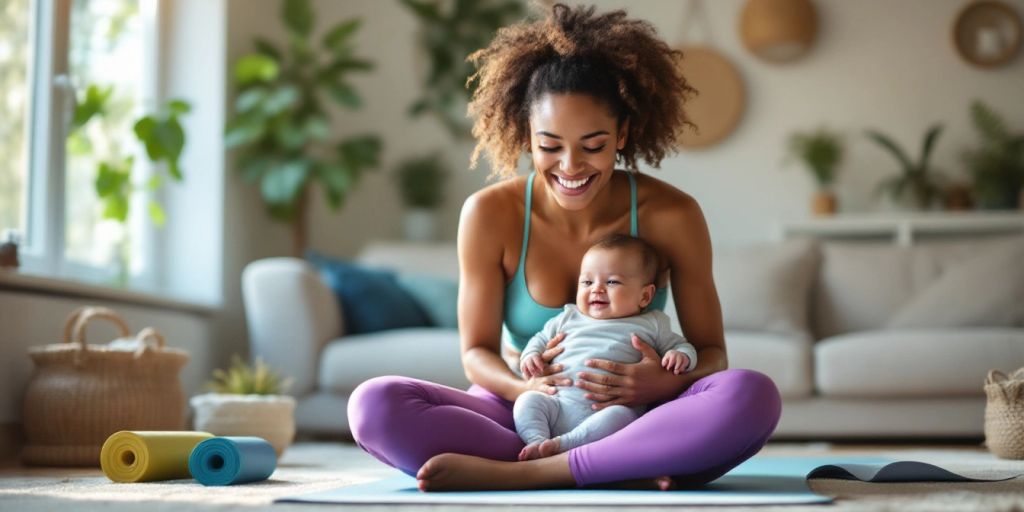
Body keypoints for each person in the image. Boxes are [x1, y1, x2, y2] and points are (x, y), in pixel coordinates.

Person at [348, 3, 781, 492]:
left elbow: (712, 354)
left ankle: (525, 472)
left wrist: (665, 383)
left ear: (622, 134)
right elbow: (477, 353)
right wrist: (526, 388)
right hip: (524, 408)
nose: (570, 166)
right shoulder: (490, 214)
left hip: (638, 413)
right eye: (549, 145)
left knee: (752, 395)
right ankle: (622, 464)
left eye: (593, 145)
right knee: (374, 404)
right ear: (525, 136)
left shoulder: (672, 214)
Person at [515, 234, 697, 462]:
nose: (597, 289)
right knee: (527, 401)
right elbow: (539, 339)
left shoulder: (652, 323)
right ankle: (537, 441)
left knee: (622, 417)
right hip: (556, 405)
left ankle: (563, 445)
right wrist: (531, 355)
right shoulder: (568, 317)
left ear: (645, 295)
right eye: (587, 282)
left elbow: (683, 346)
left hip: (606, 414)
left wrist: (679, 355)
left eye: (612, 282)